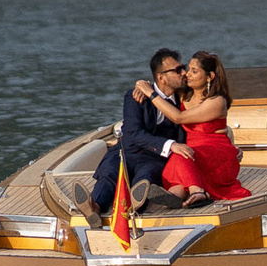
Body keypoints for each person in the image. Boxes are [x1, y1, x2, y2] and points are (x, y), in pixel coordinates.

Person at [86, 48, 195, 221]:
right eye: (177, 70)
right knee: (111, 173)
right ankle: (94, 207)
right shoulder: (134, 97)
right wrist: (170, 144)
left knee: (146, 177)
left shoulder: (185, 98)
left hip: (155, 158)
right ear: (161, 77)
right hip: (126, 151)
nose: (184, 73)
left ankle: (133, 206)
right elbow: (133, 134)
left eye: (183, 68)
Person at [152, 52, 250, 207]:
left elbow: (179, 118)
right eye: (188, 69)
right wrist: (141, 86)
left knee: (181, 155)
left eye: (194, 71)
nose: (187, 74)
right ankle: (176, 196)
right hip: (195, 151)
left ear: (210, 77)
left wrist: (149, 93)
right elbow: (163, 86)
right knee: (182, 157)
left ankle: (198, 191)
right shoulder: (184, 94)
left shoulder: (217, 101)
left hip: (217, 154)